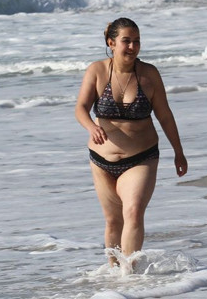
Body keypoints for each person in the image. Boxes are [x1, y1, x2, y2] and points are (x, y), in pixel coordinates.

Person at [75, 17, 188, 266]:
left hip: (141, 157)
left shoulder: (149, 74)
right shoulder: (97, 71)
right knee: (113, 220)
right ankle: (115, 275)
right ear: (111, 43)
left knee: (133, 212)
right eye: (126, 41)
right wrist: (92, 126)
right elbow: (81, 108)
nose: (132, 47)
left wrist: (178, 152)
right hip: (101, 161)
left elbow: (165, 115)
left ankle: (130, 276)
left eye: (136, 42)